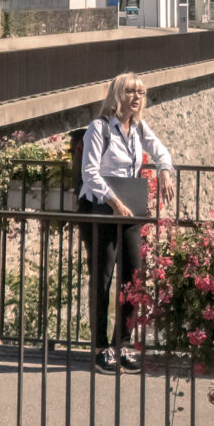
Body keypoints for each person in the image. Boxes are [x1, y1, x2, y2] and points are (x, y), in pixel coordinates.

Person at [78, 73, 176, 373]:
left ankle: (122, 344)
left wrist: (164, 170)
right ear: (117, 95)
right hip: (100, 207)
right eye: (131, 91)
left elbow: (161, 151)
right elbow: (90, 173)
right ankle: (100, 348)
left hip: (129, 208)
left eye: (141, 92)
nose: (136, 97)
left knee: (133, 277)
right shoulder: (99, 128)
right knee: (103, 276)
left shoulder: (138, 129)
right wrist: (114, 202)